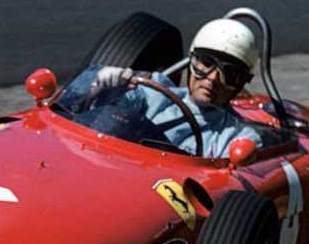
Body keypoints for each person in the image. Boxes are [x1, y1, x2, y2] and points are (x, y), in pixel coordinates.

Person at [91, 18, 264, 159]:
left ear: (241, 82)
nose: (212, 78)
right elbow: (98, 115)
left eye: (230, 73)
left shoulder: (238, 138)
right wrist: (100, 86)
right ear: (191, 61)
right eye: (206, 63)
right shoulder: (153, 93)